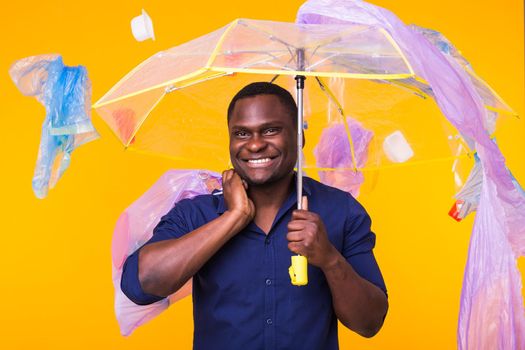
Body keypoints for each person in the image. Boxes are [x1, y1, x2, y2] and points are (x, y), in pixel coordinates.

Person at [121, 82, 388, 349]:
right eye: (241, 133)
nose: (256, 144)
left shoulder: (341, 211)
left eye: (270, 130)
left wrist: (330, 259)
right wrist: (233, 218)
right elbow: (140, 286)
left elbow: (369, 323)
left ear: (299, 138)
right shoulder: (197, 213)